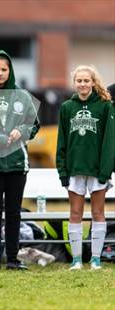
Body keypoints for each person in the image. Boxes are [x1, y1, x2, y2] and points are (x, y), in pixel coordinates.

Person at [0, 50, 40, 270]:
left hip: (16, 164)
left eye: (4, 69)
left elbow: (34, 125)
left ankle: (13, 259)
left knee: (13, 213)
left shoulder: (22, 96)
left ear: (10, 71)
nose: (0, 73)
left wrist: (21, 130)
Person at [56, 65, 114, 270]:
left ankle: (96, 259)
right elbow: (61, 142)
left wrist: (105, 171)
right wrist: (62, 171)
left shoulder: (105, 106)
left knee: (98, 213)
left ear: (93, 82)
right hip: (74, 170)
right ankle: (77, 260)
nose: (82, 84)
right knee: (75, 213)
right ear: (74, 83)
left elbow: (109, 142)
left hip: (97, 170)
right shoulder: (66, 108)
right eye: (79, 81)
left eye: (86, 80)